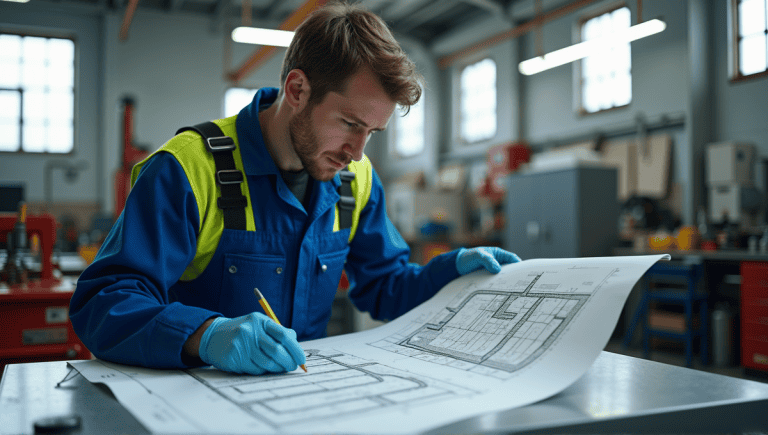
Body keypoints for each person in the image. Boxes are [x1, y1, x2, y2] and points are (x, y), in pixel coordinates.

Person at [69, 1, 521, 376]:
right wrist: (203, 335)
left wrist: (452, 274)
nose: (358, 153)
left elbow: (386, 288)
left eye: (372, 133)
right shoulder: (189, 169)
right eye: (349, 124)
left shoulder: (355, 181)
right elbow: (103, 301)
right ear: (298, 89)